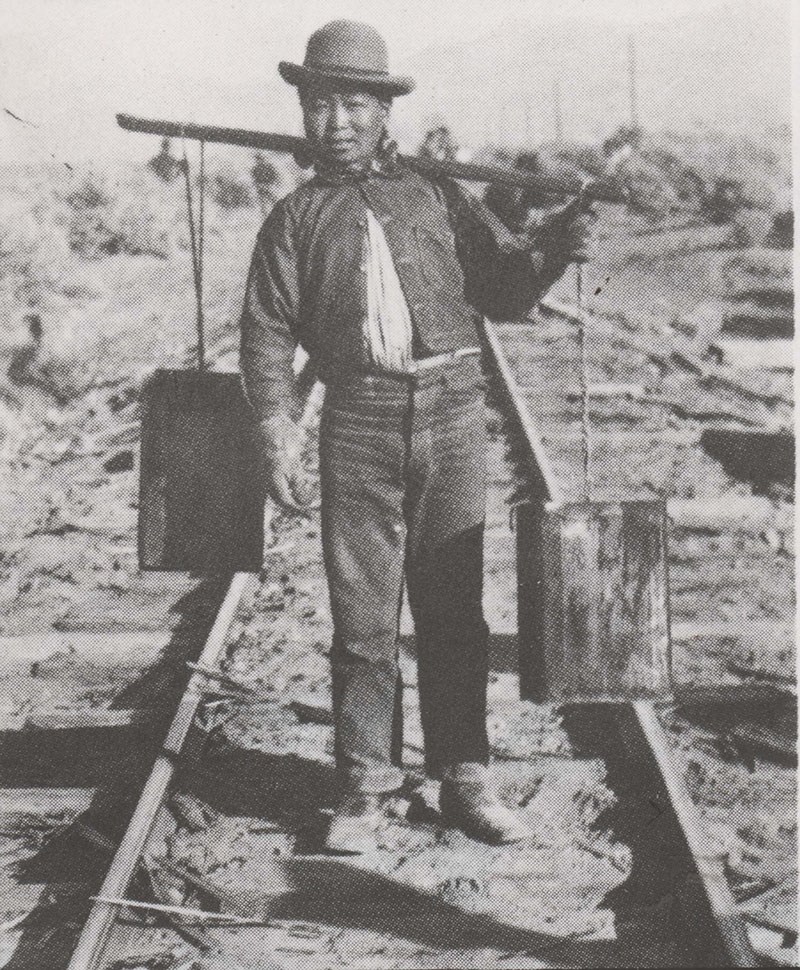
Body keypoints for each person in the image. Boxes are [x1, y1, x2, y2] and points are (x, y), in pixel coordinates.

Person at [240, 20, 595, 853]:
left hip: (453, 412)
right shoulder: (293, 222)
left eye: (354, 103)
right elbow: (265, 334)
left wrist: (552, 252)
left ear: (383, 110)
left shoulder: (437, 195)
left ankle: (464, 775)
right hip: (357, 423)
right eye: (321, 104)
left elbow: (504, 290)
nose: (337, 122)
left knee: (453, 608)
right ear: (303, 112)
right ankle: (364, 785)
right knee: (362, 618)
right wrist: (274, 426)